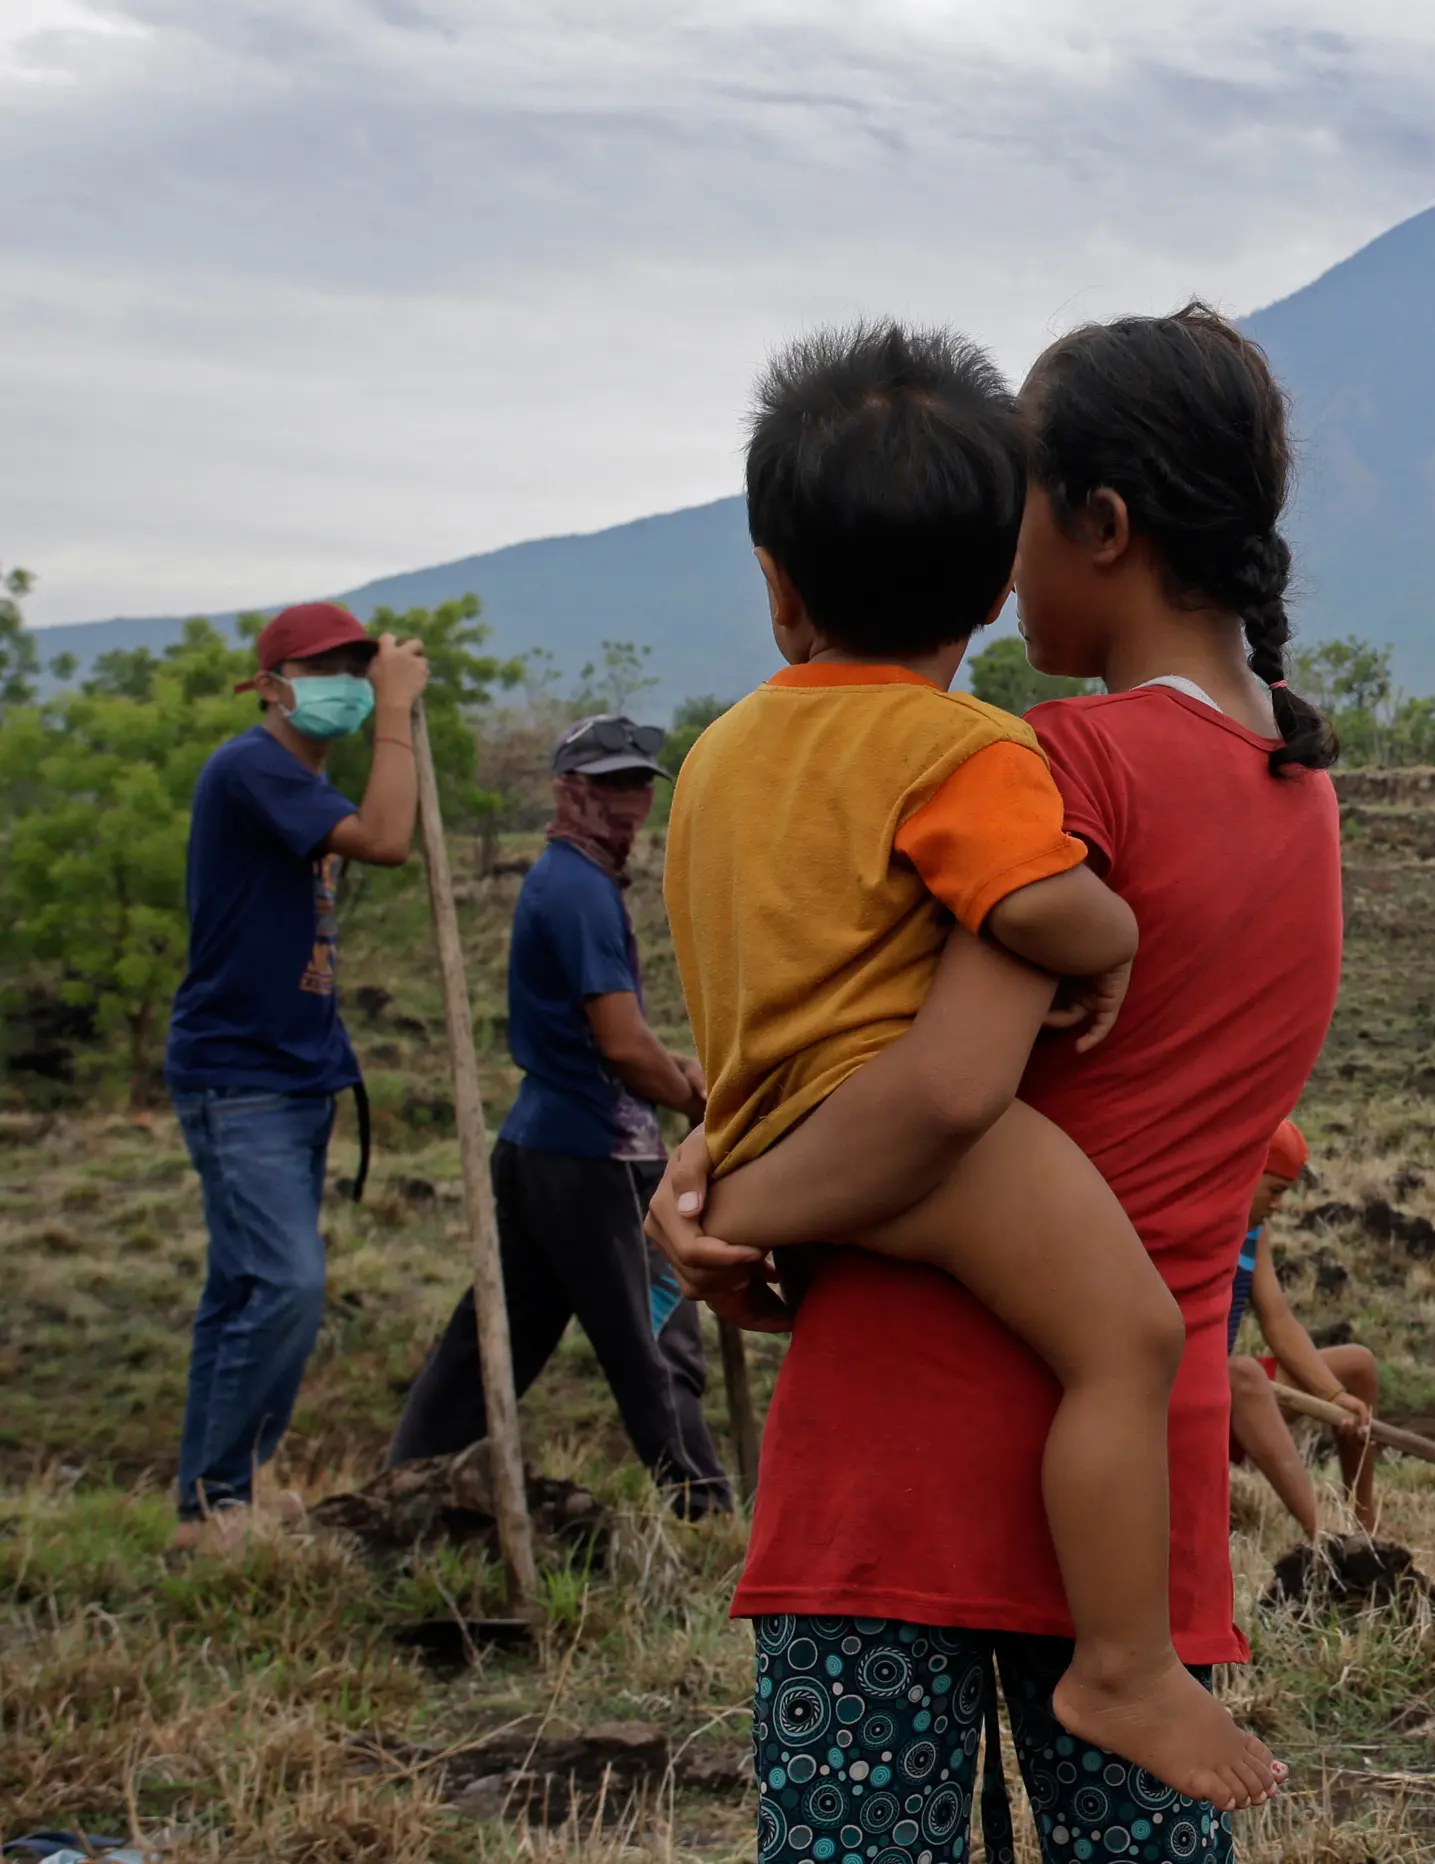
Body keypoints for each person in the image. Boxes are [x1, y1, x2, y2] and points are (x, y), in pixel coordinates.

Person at [648, 303, 1345, 1864]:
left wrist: (709, 1206)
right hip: (1133, 1517)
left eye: (1008, 494)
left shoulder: (1052, 765)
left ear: (1099, 524)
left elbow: (933, 1084)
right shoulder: (1302, 794)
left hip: (902, 1470)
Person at [385, 714, 729, 1512]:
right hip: (592, 1155)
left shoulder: (574, 881)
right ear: (566, 791)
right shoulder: (576, 890)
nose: (627, 801)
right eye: (607, 783)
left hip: (544, 1145)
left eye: (639, 783)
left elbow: (618, 1036)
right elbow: (618, 1045)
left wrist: (672, 1063)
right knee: (653, 1334)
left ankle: (411, 1479)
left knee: (496, 1336)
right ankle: (702, 1506)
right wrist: (689, 1093)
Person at [165, 600, 428, 1552]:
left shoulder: (293, 781)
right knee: (284, 1286)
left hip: (297, 1073)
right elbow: (387, 837)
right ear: (272, 687)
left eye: (360, 668)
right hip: (241, 1076)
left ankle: (216, 1499)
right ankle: (215, 1501)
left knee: (242, 1290)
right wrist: (395, 711)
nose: (349, 686)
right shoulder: (252, 767)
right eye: (327, 669)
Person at [1227, 1120, 1383, 1539]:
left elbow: (1277, 1319)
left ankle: (1362, 1526)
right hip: (1179, 1397)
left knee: (1357, 1365)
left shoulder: (1254, 1231)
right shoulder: (1198, 1220)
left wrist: (1336, 1396)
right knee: (1244, 1374)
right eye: (1274, 1189)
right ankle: (1326, 1537)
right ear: (1243, 1173)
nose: (1278, 1204)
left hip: (1227, 1392)